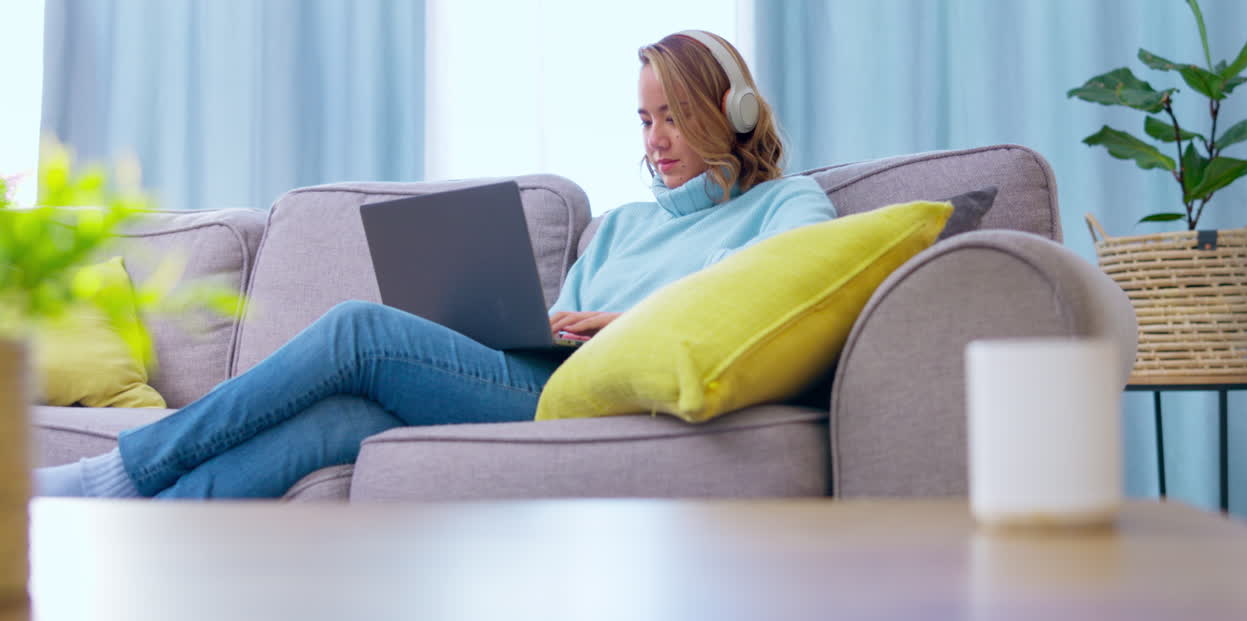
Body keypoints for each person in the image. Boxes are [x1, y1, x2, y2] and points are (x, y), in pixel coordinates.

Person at [35, 30, 837, 499]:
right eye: (644, 118)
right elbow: (564, 323)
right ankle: (130, 511)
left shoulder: (787, 206)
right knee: (339, 423)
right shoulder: (625, 226)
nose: (654, 139)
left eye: (675, 117)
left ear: (730, 113)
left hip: (593, 404)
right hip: (543, 375)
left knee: (357, 330)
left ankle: (124, 470)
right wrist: (556, 320)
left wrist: (628, 324)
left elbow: (761, 297)